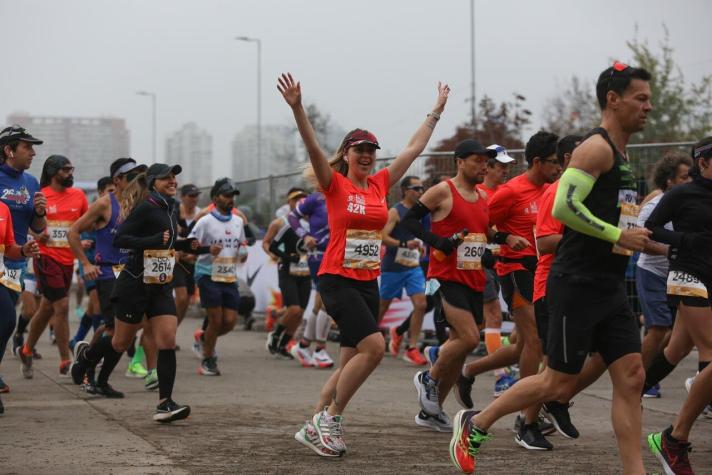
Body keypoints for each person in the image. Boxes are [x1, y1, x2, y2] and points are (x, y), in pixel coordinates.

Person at [449, 62, 653, 474]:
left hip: (609, 286)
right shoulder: (595, 148)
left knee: (632, 376)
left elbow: (626, 224)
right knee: (555, 381)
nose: (649, 107)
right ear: (613, 100)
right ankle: (477, 423)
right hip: (575, 283)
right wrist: (616, 235)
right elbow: (564, 207)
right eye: (641, 98)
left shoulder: (623, 154)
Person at [278, 72, 449, 457]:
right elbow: (313, 147)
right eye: (360, 149)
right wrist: (298, 108)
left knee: (350, 362)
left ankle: (314, 424)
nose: (368, 155)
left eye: (372, 149)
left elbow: (414, 148)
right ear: (347, 154)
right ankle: (332, 418)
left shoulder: (380, 184)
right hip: (337, 279)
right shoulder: (334, 184)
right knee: (374, 348)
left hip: (367, 280)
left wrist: (435, 112)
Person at [72, 163, 206, 421]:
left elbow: (165, 240)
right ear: (154, 182)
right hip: (134, 283)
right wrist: (151, 242)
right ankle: (87, 356)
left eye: (174, 177)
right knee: (120, 341)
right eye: (166, 178)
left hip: (160, 283)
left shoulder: (171, 207)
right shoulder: (145, 207)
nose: (172, 181)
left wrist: (185, 244)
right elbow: (121, 238)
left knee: (166, 339)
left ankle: (165, 403)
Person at [456, 131, 562, 450]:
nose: (559, 168)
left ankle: (469, 370)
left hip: (542, 271)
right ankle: (525, 420)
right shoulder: (509, 192)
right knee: (535, 342)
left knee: (520, 345)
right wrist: (502, 242)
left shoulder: (549, 190)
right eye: (555, 162)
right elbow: (481, 226)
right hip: (514, 270)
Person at [402, 139, 495, 432]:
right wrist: (437, 242)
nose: (484, 167)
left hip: (473, 278)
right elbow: (410, 221)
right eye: (478, 161)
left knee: (460, 347)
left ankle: (432, 413)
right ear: (460, 161)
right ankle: (428, 378)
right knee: (468, 338)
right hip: (444, 277)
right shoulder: (443, 190)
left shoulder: (482, 197)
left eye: (486, 162)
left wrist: (498, 250)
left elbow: (480, 237)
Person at [645, 136, 712, 474]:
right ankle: (674, 438)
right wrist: (683, 240)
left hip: (710, 277)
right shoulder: (681, 194)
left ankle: (633, 392)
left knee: (675, 351)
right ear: (703, 163)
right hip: (686, 275)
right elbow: (650, 228)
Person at [68, 159, 147, 397]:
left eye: (138, 175)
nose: (136, 180)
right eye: (130, 175)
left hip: (132, 273)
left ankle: (94, 370)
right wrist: (85, 263)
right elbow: (73, 232)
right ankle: (90, 372)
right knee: (115, 331)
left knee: (130, 330)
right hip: (108, 273)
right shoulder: (105, 204)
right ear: (117, 180)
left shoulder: (140, 204)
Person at [19, 155, 88, 378]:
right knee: (62, 306)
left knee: (47, 307)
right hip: (46, 258)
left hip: (68, 261)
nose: (70, 174)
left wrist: (84, 240)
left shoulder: (78, 196)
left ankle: (26, 349)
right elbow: (22, 225)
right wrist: (37, 233)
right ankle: (65, 360)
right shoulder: (39, 196)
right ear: (53, 172)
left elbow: (86, 224)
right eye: (66, 170)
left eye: (71, 169)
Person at [636, 152, 692, 399]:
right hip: (652, 272)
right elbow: (638, 240)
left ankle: (649, 375)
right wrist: (668, 250)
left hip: (678, 275)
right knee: (658, 329)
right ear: (668, 180)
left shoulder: (689, 203)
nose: (689, 181)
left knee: (677, 334)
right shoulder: (653, 205)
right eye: (683, 177)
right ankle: (635, 376)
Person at [0, 125, 47, 389]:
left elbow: (37, 229)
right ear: (8, 150)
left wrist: (39, 213)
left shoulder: (31, 183)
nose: (33, 152)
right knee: (6, 318)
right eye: (27, 147)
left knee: (5, 325)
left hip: (16, 260)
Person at [189, 178, 244, 376]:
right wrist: (206, 250)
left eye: (233, 196)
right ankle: (207, 359)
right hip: (207, 274)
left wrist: (242, 252)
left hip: (229, 276)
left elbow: (241, 244)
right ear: (215, 198)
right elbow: (190, 245)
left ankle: (204, 339)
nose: (231, 200)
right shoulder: (205, 221)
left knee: (229, 322)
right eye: (227, 195)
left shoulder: (238, 221)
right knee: (216, 319)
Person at [476, 144, 516, 396]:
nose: (505, 171)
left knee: (475, 325)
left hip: (504, 262)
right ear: (487, 166)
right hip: (479, 261)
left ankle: (440, 352)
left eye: (507, 166)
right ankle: (501, 377)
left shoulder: (506, 192)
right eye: (501, 166)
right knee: (493, 317)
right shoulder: (476, 192)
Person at [378, 175, 428, 366]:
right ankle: (368, 340)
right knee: (383, 307)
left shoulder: (421, 212)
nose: (420, 192)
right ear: (405, 190)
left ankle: (412, 347)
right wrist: (405, 244)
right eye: (416, 188)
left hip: (413, 267)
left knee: (421, 304)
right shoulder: (395, 211)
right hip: (393, 267)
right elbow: (382, 237)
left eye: (422, 188)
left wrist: (422, 245)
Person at [288, 180, 334, 369]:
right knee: (328, 302)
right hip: (319, 256)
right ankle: (320, 349)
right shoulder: (316, 198)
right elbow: (292, 217)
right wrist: (305, 236)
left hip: (338, 254)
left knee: (319, 303)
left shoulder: (349, 198)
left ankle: (304, 345)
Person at [0, 200, 39, 412]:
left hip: (1, 274)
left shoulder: (3, 209)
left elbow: (9, 249)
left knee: (7, 321)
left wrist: (23, 250)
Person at [263, 187, 311, 360]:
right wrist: (276, 256)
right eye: (295, 200)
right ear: (289, 202)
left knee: (300, 312)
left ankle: (283, 344)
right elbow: (267, 243)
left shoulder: (313, 223)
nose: (300, 203)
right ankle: (275, 336)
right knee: (293, 309)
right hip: (286, 269)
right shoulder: (280, 223)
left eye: (303, 200)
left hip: (305, 271)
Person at [174, 184, 202, 332]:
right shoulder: (175, 211)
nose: (194, 199)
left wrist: (194, 254)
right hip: (175, 261)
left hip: (192, 261)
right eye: (191, 196)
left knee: (186, 302)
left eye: (196, 195)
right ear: (182, 197)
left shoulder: (201, 214)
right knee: (182, 296)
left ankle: (171, 330)